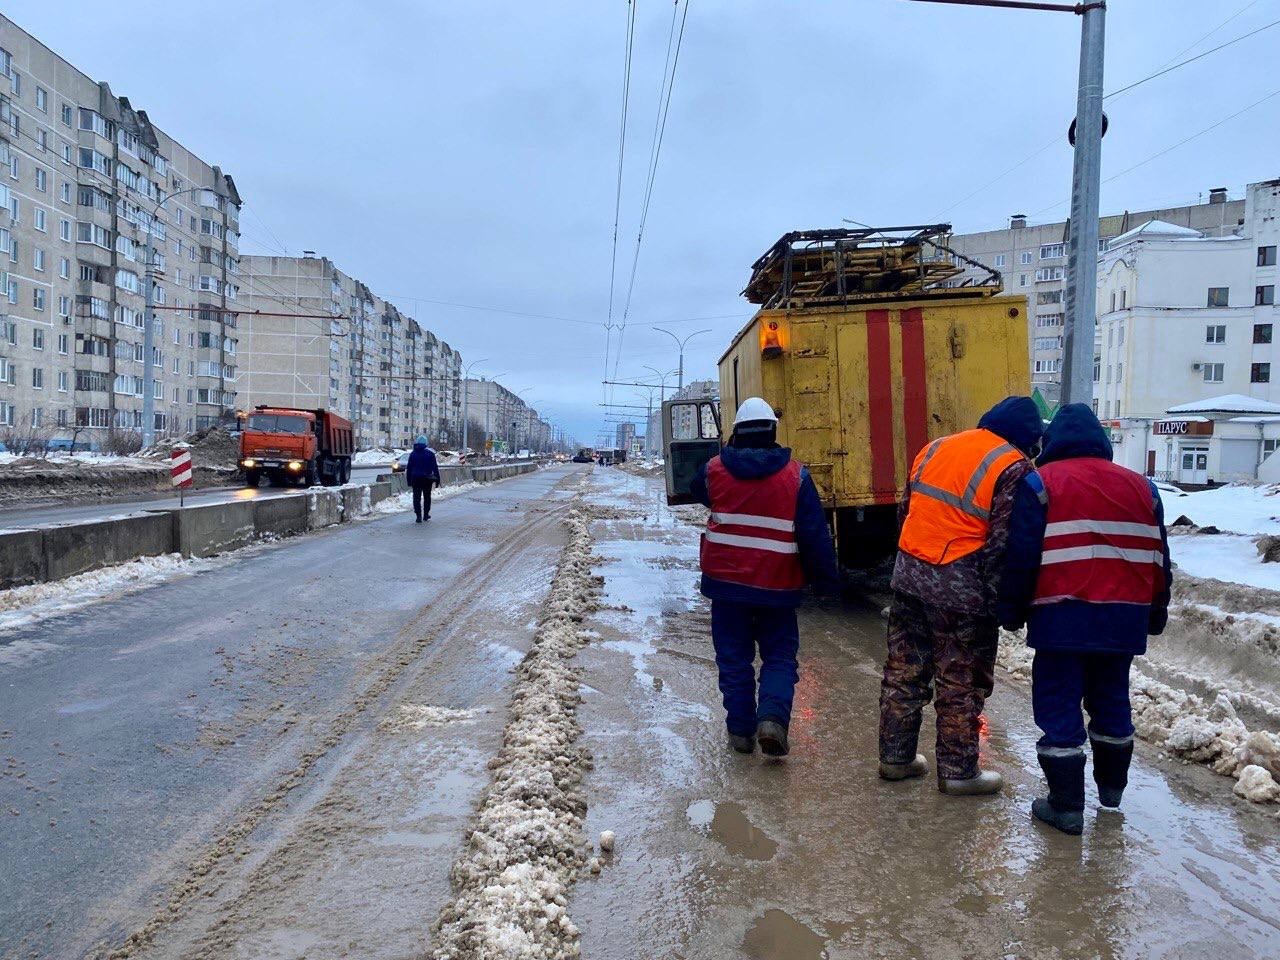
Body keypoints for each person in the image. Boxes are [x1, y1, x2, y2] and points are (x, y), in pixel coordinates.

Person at [997, 404, 1172, 835]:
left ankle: (1066, 807)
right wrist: (1156, 612)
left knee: (1059, 707)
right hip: (1123, 620)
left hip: (1061, 617)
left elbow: (1021, 558)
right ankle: (1111, 795)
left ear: (1052, 442)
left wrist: (1013, 612)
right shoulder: (1144, 489)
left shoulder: (1040, 484)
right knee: (1112, 700)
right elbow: (1160, 560)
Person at [878, 396, 1043, 795]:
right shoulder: (1012, 466)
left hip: (908, 574)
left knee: (904, 671)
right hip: (959, 589)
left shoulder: (937, 447)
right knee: (960, 680)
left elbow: (906, 512)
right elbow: (1001, 546)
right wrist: (1002, 604)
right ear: (1028, 439)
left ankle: (895, 759)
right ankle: (957, 772)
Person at [690, 397, 839, 757]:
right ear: (773, 429)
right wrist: (828, 584)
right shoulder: (796, 476)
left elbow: (695, 490)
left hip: (726, 589)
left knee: (733, 658)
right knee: (779, 658)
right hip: (777, 587)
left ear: (736, 432)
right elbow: (814, 535)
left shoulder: (714, 470)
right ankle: (771, 720)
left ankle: (740, 733)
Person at [405, 435, 441, 523]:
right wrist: (437, 479)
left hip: (415, 479)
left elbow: (409, 468)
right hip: (427, 479)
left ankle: (418, 516)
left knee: (416, 498)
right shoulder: (430, 454)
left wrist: (409, 480)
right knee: (427, 497)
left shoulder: (413, 454)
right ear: (426, 444)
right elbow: (435, 468)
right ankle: (426, 515)